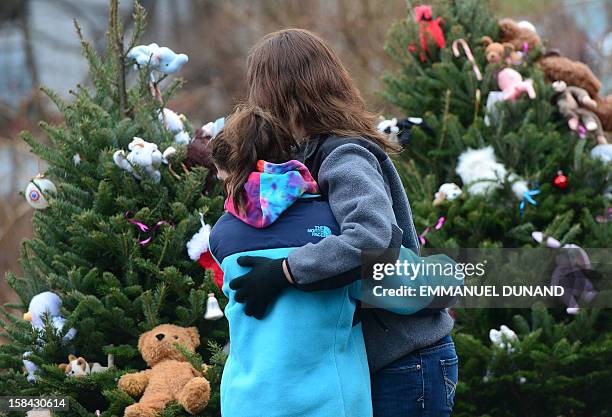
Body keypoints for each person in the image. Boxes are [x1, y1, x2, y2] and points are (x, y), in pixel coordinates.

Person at [229, 28, 458, 416]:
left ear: (279, 93)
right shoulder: (309, 156)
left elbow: (373, 238)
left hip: (406, 360)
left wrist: (286, 271)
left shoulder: (343, 153)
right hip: (382, 361)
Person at [208, 105, 373, 417]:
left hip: (249, 403)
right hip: (332, 401)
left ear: (239, 172)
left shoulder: (222, 236)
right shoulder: (335, 222)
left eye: (223, 179)